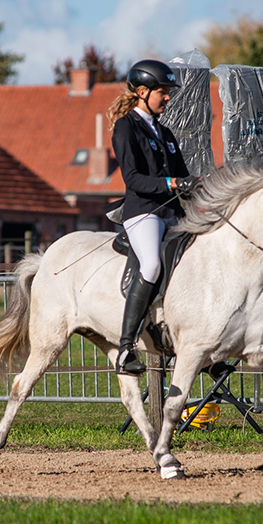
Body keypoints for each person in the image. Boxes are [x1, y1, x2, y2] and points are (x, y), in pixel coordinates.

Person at [107, 59, 197, 375]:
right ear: (143, 91)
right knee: (152, 264)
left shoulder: (167, 133)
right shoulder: (126, 127)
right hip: (144, 212)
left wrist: (197, 185)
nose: (168, 98)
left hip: (173, 212)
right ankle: (126, 348)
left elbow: (184, 175)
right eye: (163, 92)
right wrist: (171, 184)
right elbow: (132, 179)